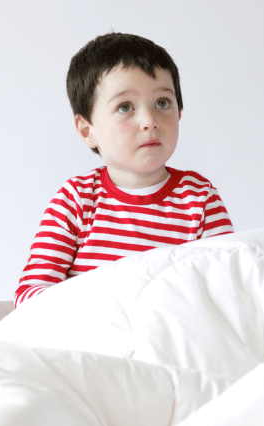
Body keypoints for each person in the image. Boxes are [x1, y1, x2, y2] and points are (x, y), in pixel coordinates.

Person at [14, 32, 234, 305]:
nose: (150, 120)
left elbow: (228, 285)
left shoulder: (200, 199)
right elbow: (31, 294)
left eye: (162, 103)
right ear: (87, 130)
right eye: (125, 107)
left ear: (179, 113)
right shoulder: (75, 200)